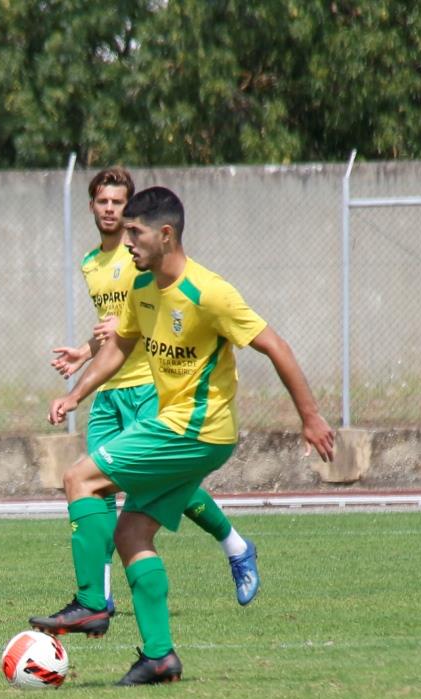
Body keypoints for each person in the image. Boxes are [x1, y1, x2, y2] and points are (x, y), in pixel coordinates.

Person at [36, 186, 335, 686]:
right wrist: (77, 393)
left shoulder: (208, 292)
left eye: (136, 232)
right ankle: (159, 657)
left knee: (80, 480)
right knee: (132, 533)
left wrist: (311, 417)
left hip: (196, 429)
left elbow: (274, 345)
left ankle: (91, 602)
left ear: (166, 233)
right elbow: (120, 348)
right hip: (181, 428)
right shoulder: (142, 286)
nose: (126, 240)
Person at [30, 169, 260, 643]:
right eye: (103, 201)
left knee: (116, 485)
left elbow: (146, 328)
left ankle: (231, 544)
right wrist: (82, 360)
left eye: (121, 203)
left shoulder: (148, 263)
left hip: (153, 393)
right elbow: (117, 333)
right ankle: (120, 616)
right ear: (92, 207)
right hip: (111, 392)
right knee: (111, 504)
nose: (112, 211)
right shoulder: (93, 264)